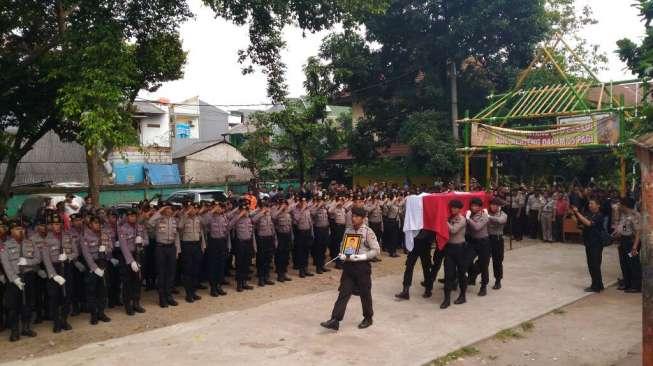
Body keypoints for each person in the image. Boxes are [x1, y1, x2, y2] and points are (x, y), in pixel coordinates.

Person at [320, 207, 380, 331]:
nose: (354, 218)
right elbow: (343, 244)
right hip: (349, 266)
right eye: (353, 216)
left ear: (363, 219)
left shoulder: (368, 232)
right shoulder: (348, 230)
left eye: (357, 216)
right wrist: (342, 254)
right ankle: (335, 320)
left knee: (365, 293)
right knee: (344, 292)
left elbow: (376, 250)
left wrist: (362, 256)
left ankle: (368, 318)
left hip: (362, 266)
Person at [0, 219, 40, 341]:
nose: (21, 231)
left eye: (22, 229)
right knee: (13, 307)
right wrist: (14, 279)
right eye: (17, 229)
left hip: (28, 277)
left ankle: (26, 328)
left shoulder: (30, 243)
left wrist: (28, 261)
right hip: (14, 280)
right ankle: (14, 331)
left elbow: (38, 259)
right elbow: (5, 264)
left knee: (27, 304)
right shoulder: (5, 246)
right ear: (11, 231)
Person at [41, 214, 75, 333]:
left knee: (67, 295)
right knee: (54, 297)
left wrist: (68, 256)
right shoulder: (46, 240)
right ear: (51, 226)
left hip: (66, 267)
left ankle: (64, 320)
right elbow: (46, 259)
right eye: (55, 224)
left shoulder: (67, 236)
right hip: (54, 269)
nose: (57, 226)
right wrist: (54, 275)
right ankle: (56, 322)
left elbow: (75, 252)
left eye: (59, 224)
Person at [147, 202, 181, 308]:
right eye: (167, 208)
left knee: (171, 273)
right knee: (161, 274)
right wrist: (159, 211)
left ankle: (169, 296)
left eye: (171, 209)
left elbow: (176, 236)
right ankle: (162, 298)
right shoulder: (158, 219)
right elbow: (149, 222)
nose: (169, 210)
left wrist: (177, 250)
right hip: (161, 248)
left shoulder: (174, 220)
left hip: (171, 248)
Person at [80, 215, 112, 325]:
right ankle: (93, 314)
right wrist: (94, 268)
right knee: (91, 291)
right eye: (95, 223)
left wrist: (106, 249)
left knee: (103, 289)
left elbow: (111, 246)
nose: (97, 225)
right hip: (92, 265)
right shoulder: (85, 236)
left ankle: (101, 312)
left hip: (103, 263)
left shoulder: (104, 234)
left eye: (99, 223)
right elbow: (86, 253)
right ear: (90, 224)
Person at [118, 208, 149, 315]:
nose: (133, 218)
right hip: (128, 258)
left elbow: (147, 240)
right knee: (128, 282)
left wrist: (142, 241)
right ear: (127, 217)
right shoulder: (122, 229)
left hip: (139, 255)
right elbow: (123, 246)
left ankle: (136, 303)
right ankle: (128, 305)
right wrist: (131, 261)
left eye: (134, 216)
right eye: (130, 216)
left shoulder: (140, 227)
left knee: (138, 280)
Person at [571, 197, 605, 293]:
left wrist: (578, 213)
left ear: (598, 205)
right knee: (591, 265)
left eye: (592, 203)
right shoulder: (589, 214)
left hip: (596, 243)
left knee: (595, 265)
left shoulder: (599, 215)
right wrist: (574, 214)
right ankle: (598, 284)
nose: (590, 205)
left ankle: (596, 286)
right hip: (589, 242)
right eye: (589, 204)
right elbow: (581, 223)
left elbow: (589, 224)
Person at [441, 200, 468, 309]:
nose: (453, 209)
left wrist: (443, 220)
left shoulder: (462, 219)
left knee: (461, 273)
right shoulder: (450, 218)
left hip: (460, 249)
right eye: (452, 207)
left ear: (459, 209)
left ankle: (462, 295)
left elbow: (453, 230)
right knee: (448, 274)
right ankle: (446, 299)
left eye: (455, 208)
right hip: (449, 248)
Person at [177, 202, 205, 303]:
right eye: (191, 208)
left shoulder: (198, 218)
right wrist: (185, 214)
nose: (193, 210)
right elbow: (179, 227)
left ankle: (193, 291)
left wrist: (199, 213)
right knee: (187, 270)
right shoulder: (183, 218)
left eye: (194, 208)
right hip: (187, 246)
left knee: (195, 269)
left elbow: (205, 224)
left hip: (197, 245)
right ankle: (188, 294)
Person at [613, 197, 642, 293]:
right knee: (624, 263)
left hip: (632, 242)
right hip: (623, 241)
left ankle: (636, 286)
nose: (618, 206)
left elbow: (638, 232)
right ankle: (627, 283)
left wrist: (634, 247)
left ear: (624, 205)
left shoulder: (635, 215)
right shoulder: (623, 214)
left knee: (633, 263)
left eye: (620, 204)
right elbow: (620, 227)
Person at [228, 199, 255, 292]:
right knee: (239, 263)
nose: (245, 209)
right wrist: (239, 214)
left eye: (246, 207)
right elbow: (229, 225)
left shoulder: (249, 217)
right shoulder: (236, 217)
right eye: (243, 207)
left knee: (247, 263)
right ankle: (239, 284)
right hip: (240, 243)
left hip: (248, 242)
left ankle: (245, 282)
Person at [203, 202, 229, 296]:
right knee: (213, 265)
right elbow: (204, 222)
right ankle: (213, 287)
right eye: (216, 207)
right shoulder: (209, 216)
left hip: (222, 242)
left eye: (220, 207)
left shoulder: (223, 217)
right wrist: (212, 211)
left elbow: (227, 229)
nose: (219, 209)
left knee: (221, 265)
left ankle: (219, 285)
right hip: (213, 243)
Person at [467, 198, 490, 297]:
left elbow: (477, 227)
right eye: (472, 205)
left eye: (476, 206)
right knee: (466, 261)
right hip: (472, 241)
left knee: (484, 265)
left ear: (480, 207)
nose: (474, 208)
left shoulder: (484, 215)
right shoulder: (469, 214)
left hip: (483, 242)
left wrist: (468, 219)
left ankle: (483, 286)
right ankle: (472, 276)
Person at [252, 200, 276, 286]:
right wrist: (261, 212)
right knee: (261, 259)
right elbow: (253, 220)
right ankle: (261, 278)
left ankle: (266, 277)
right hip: (261, 239)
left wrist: (273, 237)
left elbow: (272, 225)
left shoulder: (269, 214)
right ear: (260, 206)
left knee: (268, 258)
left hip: (269, 238)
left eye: (267, 206)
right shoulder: (256, 213)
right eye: (264, 206)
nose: (266, 207)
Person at [291, 196, 314, 278]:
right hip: (300, 233)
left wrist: (311, 233)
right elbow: (296, 219)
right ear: (299, 202)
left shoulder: (307, 210)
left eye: (305, 202)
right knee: (300, 252)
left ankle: (306, 269)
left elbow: (310, 221)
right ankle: (301, 271)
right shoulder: (295, 210)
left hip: (307, 232)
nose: (304, 203)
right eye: (302, 202)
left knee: (306, 251)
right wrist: (302, 209)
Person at [487, 198, 507, 290]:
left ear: (499, 207)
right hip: (487, 239)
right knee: (483, 260)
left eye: (496, 205)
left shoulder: (503, 215)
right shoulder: (486, 213)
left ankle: (498, 281)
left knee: (497, 261)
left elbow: (500, 221)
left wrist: (488, 217)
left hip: (497, 239)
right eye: (492, 204)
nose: (494, 206)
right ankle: (481, 278)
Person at [272, 198, 293, 282]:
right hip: (280, 236)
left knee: (286, 256)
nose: (284, 206)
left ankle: (284, 272)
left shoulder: (288, 214)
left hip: (287, 236)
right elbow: (273, 217)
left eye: (285, 204)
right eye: (282, 204)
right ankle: (280, 274)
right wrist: (280, 208)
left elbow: (290, 226)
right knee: (280, 256)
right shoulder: (276, 213)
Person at [310, 196, 331, 274]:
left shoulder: (324, 209)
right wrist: (318, 205)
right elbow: (312, 213)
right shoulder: (314, 209)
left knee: (324, 248)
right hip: (318, 230)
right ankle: (318, 267)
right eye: (321, 201)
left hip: (325, 229)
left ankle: (323, 265)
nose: (323, 202)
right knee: (318, 249)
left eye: (323, 201)